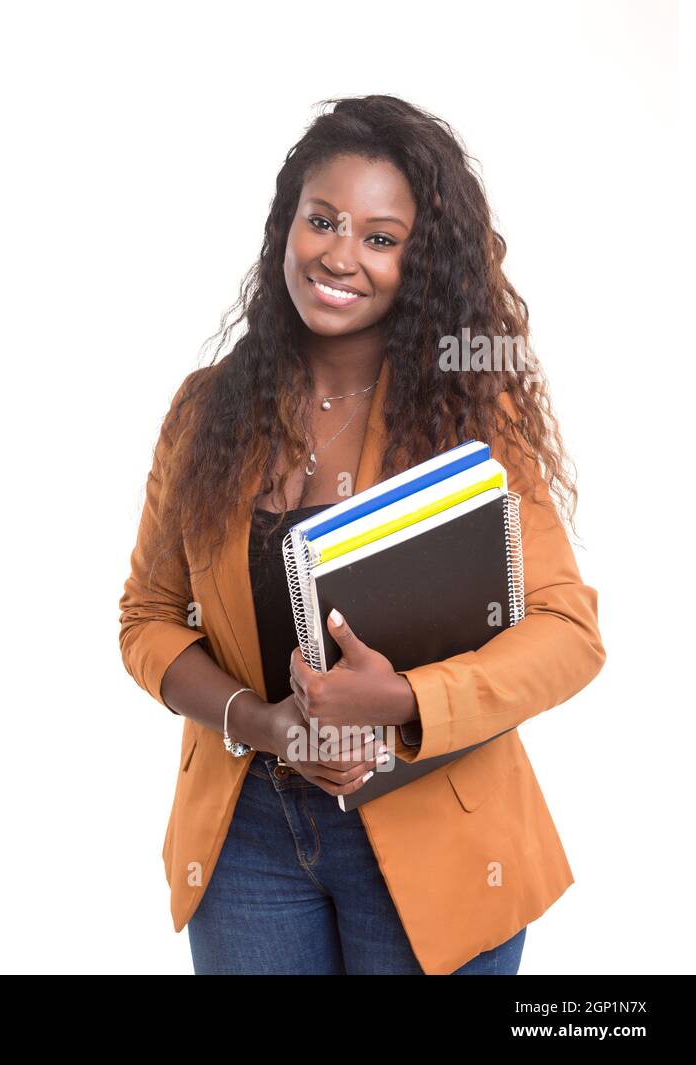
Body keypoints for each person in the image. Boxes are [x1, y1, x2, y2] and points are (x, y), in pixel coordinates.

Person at [117, 95, 605, 975]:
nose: (341, 256)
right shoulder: (206, 410)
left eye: (381, 237)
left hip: (436, 833)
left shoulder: (469, 413)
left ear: (419, 263)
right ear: (287, 228)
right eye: (323, 221)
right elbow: (147, 618)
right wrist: (264, 723)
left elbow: (568, 634)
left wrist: (404, 703)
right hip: (247, 842)